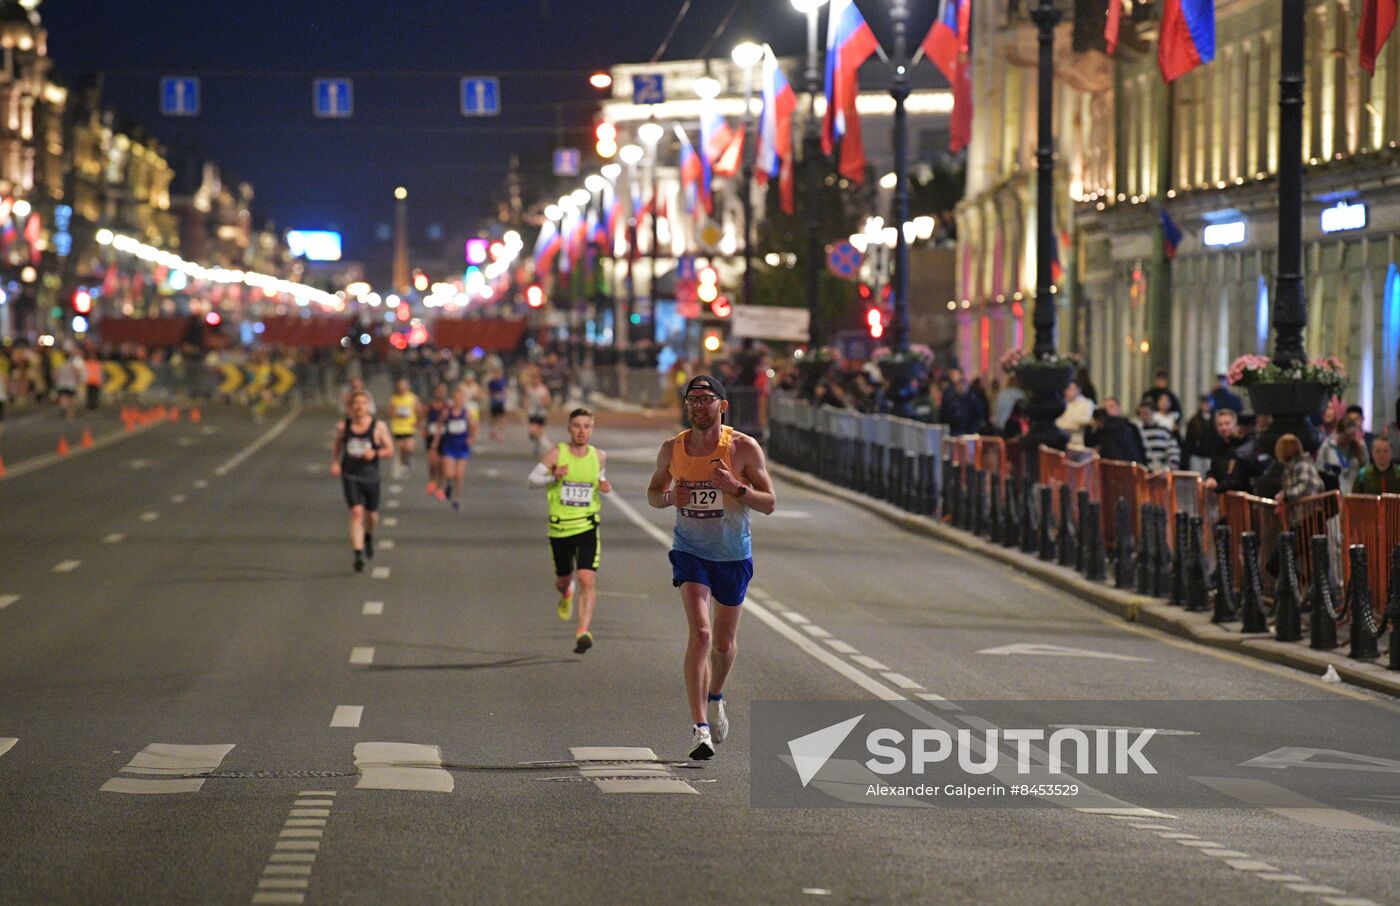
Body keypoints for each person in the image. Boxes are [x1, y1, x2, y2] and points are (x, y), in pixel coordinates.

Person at [646, 375, 776, 761]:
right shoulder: (673, 448)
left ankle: (716, 695)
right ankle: (699, 727)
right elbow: (654, 495)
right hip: (690, 552)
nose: (698, 406)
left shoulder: (743, 448)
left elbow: (768, 503)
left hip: (733, 554)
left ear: (723, 405)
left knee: (723, 645)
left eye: (706, 399)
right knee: (701, 634)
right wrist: (672, 497)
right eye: (692, 400)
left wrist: (733, 486)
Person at [527, 408, 613, 654]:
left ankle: (583, 630)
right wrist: (553, 477)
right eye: (577, 425)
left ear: (592, 429)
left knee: (586, 578)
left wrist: (603, 484)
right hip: (560, 528)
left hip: (586, 525)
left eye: (587, 426)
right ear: (569, 428)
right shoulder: (557, 453)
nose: (582, 430)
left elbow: (598, 477)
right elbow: (531, 480)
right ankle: (566, 592)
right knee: (564, 579)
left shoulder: (599, 457)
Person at [331, 390, 394, 573]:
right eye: (356, 403)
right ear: (350, 407)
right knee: (357, 513)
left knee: (371, 514)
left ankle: (368, 536)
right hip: (350, 475)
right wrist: (335, 462)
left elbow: (390, 450)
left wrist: (375, 453)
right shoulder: (344, 427)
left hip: (371, 476)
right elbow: (337, 444)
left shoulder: (378, 427)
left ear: (368, 406)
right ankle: (358, 555)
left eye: (363, 403)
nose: (359, 407)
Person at [435, 383, 477, 510]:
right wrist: (436, 441)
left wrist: (471, 438)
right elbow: (439, 425)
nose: (459, 400)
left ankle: (457, 498)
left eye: (461, 398)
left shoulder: (466, 413)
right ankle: (448, 484)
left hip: (462, 446)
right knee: (449, 473)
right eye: (456, 398)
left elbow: (473, 426)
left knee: (459, 474)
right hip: (449, 445)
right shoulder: (447, 413)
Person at [1315, 413, 1369, 494]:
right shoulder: (1328, 446)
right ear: (1338, 432)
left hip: (1354, 493)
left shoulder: (1359, 445)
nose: (1350, 439)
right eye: (1347, 436)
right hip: (1334, 493)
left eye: (1353, 435)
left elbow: (1366, 468)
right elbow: (1319, 469)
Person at [1086, 399, 1148, 464]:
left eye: (1111, 406)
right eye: (1105, 408)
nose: (1108, 410)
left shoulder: (1130, 426)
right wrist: (1090, 426)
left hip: (1128, 464)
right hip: (1109, 464)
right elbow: (1089, 443)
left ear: (1119, 407)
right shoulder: (1102, 428)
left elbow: (1140, 448)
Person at [1203, 409, 1250, 492]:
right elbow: (1213, 469)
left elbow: (1238, 477)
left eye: (1227, 424)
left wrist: (1217, 488)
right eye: (1220, 425)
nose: (1223, 427)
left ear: (1235, 424)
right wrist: (1210, 478)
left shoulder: (1244, 445)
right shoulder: (1218, 447)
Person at [388, 378, 421, 480]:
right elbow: (390, 413)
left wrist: (418, 421)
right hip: (398, 427)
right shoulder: (394, 399)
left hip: (409, 427)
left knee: (409, 448)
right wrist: (398, 413)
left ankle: (408, 460)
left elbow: (419, 410)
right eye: (400, 387)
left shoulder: (413, 398)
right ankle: (403, 465)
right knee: (401, 448)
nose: (402, 389)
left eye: (403, 387)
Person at [938, 368, 986, 436]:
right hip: (953, 434)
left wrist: (973, 431)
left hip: (968, 434)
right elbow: (944, 416)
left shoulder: (972, 398)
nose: (959, 386)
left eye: (961, 383)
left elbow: (978, 416)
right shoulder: (950, 397)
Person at [423, 382, 449, 498]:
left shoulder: (448, 407)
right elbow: (421, 417)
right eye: (439, 391)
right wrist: (423, 429)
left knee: (442, 464)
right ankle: (432, 480)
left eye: (443, 391)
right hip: (431, 436)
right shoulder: (430, 406)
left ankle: (440, 487)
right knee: (433, 462)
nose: (441, 393)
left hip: (445, 437)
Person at [1181, 394, 1216, 474]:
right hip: (1197, 455)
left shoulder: (1215, 420)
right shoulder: (1194, 420)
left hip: (1211, 455)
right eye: (1203, 403)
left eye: (1207, 403)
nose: (1205, 405)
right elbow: (1188, 441)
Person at [1056, 380, 1095, 446]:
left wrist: (1068, 424)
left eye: (1069, 389)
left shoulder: (1087, 403)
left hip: (1077, 443)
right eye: (1066, 389)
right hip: (1061, 441)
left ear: (1078, 390)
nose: (1066, 392)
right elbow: (1057, 423)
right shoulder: (1063, 403)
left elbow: (1082, 422)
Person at [523, 374, 552, 457]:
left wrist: (544, 402)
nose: (536, 381)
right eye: (534, 379)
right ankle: (539, 448)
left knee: (537, 431)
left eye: (537, 379)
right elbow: (525, 399)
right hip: (532, 412)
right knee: (534, 432)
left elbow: (548, 400)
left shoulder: (543, 389)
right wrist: (525, 407)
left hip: (541, 412)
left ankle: (549, 447)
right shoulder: (529, 389)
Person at [486, 368, 509, 442]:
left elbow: (505, 392)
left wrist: (502, 396)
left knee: (501, 419)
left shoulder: (503, 382)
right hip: (494, 402)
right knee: (493, 418)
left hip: (501, 403)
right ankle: (493, 431)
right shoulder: (491, 383)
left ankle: (501, 434)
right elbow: (489, 392)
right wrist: (493, 396)